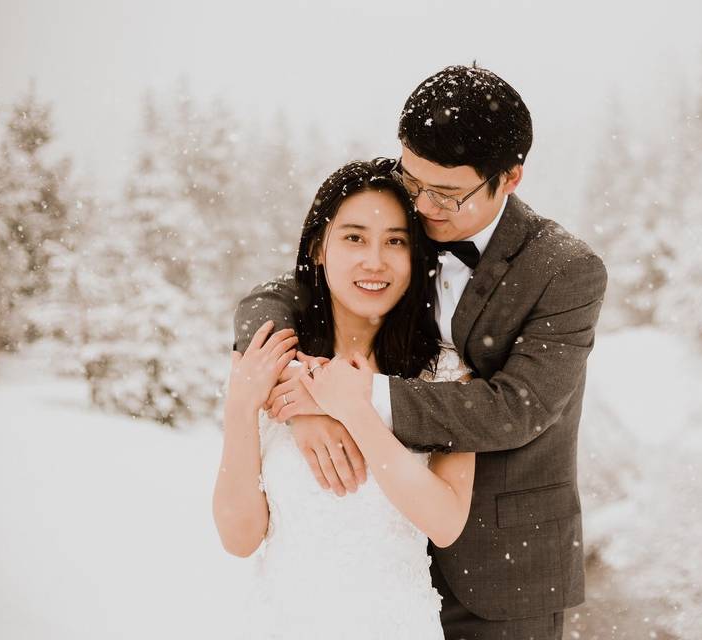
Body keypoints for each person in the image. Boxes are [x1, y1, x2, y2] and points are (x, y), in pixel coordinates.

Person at [236, 65, 607, 640]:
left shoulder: (563, 270)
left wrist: (356, 399)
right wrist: (297, 390)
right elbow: (281, 292)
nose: (424, 204)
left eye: (447, 194)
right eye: (413, 181)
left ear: (509, 178)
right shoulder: (399, 210)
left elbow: (518, 409)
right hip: (375, 558)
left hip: (505, 569)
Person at [214, 158, 475, 639]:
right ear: (318, 247)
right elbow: (239, 538)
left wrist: (353, 409)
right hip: (284, 624)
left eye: (395, 241)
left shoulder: (444, 372)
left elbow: (445, 522)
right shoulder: (274, 365)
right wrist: (240, 406)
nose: (374, 261)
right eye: (354, 237)